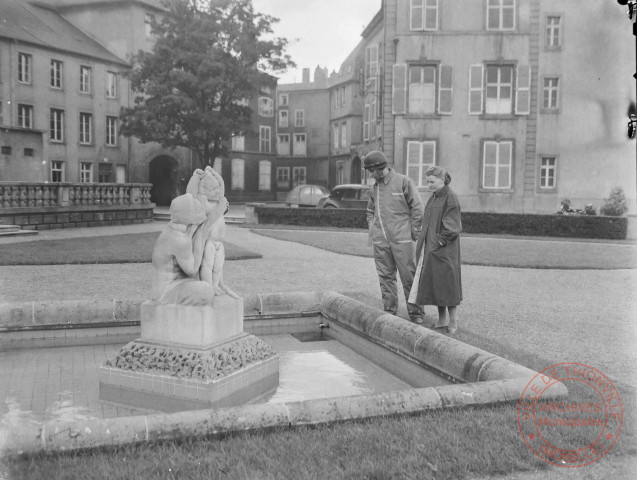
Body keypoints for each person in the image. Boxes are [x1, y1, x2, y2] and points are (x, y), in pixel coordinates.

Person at [365, 150, 426, 324]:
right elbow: (370, 211)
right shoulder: (374, 188)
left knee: (409, 276)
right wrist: (373, 229)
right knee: (385, 276)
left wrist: (414, 231)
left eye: (371, 171)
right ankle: (389, 310)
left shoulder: (404, 182)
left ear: (379, 168)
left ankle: (416, 313)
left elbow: (418, 208)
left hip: (403, 239)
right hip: (381, 240)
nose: (371, 175)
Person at [408, 166, 462, 334]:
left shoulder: (450, 198)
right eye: (427, 181)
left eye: (432, 182)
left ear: (442, 180)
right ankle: (441, 321)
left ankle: (452, 324)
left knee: (448, 286)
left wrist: (437, 242)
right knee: (438, 286)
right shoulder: (434, 197)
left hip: (444, 251)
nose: (429, 185)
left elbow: (452, 228)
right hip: (432, 249)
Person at [151, 192, 214, 306]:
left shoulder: (172, 229)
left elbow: (191, 232)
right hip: (167, 293)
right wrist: (200, 237)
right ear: (189, 216)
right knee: (206, 290)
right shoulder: (179, 240)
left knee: (203, 283)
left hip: (164, 288)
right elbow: (192, 271)